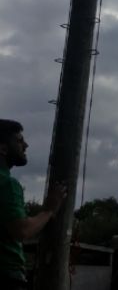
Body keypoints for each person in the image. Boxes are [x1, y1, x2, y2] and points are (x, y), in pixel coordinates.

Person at [0, 119, 67, 290]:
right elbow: (22, 230)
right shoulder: (7, 184)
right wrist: (49, 210)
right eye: (19, 141)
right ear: (3, 148)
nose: (26, 145)